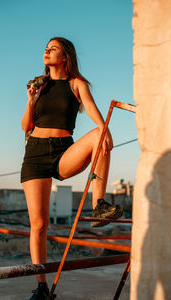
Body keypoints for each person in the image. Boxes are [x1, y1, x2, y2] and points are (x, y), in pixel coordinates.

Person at [20, 37, 123, 300]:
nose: (47, 51)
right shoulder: (38, 85)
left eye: (53, 49)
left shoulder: (77, 84)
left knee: (100, 133)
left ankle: (99, 204)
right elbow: (26, 127)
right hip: (35, 154)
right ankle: (41, 286)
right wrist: (31, 100)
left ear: (65, 57)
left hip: (64, 150)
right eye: (46, 48)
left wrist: (104, 129)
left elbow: (90, 108)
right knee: (40, 225)